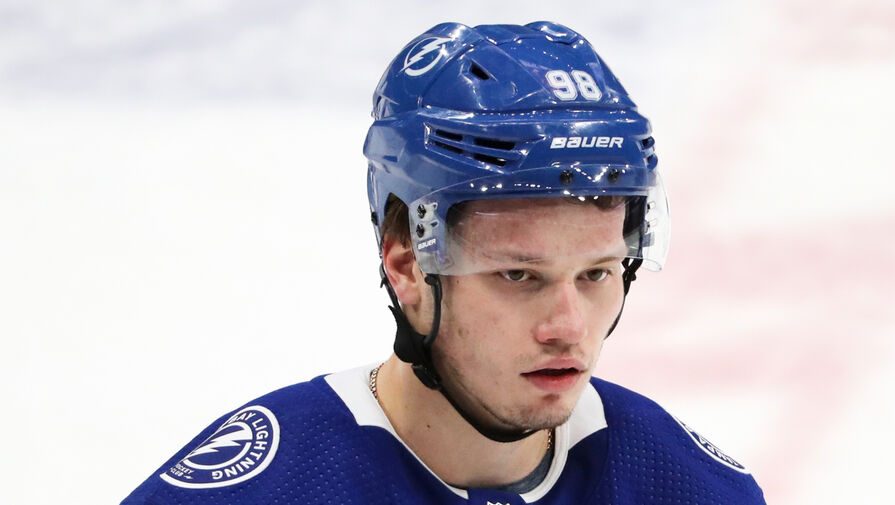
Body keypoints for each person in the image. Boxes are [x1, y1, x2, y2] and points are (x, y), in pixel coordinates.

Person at [121, 21, 766, 505]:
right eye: (518, 275)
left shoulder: (687, 487)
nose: (569, 327)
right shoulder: (265, 489)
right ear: (407, 265)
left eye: (595, 273)